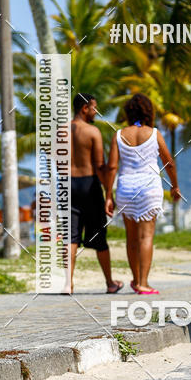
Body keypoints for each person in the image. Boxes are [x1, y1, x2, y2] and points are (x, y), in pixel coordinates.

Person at [104, 94, 181, 295]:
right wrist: (175, 186)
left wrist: (108, 196)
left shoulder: (119, 135)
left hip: (126, 188)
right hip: (149, 188)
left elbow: (112, 167)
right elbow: (169, 162)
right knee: (146, 237)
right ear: (149, 111)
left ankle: (136, 279)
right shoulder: (154, 133)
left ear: (128, 113)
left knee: (131, 238)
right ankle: (143, 283)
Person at [68, 93, 122, 295]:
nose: (96, 112)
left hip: (67, 185)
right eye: (94, 108)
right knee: (99, 236)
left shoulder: (59, 132)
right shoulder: (92, 132)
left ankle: (68, 284)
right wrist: (109, 194)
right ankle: (109, 282)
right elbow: (101, 167)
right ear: (84, 108)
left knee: (70, 238)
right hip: (89, 184)